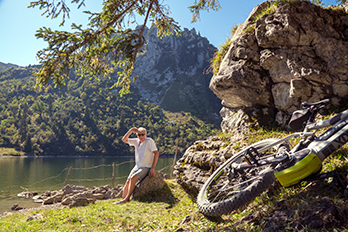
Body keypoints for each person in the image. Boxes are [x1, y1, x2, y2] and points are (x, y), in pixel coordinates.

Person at [116, 127, 159, 204]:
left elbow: (156, 153)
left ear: (145, 134)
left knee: (133, 179)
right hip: (137, 166)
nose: (141, 136)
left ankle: (126, 199)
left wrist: (152, 168)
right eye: (139, 135)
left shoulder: (149, 141)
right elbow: (124, 140)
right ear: (137, 135)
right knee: (128, 181)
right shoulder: (136, 141)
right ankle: (123, 200)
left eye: (143, 134)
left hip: (146, 167)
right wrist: (130, 131)